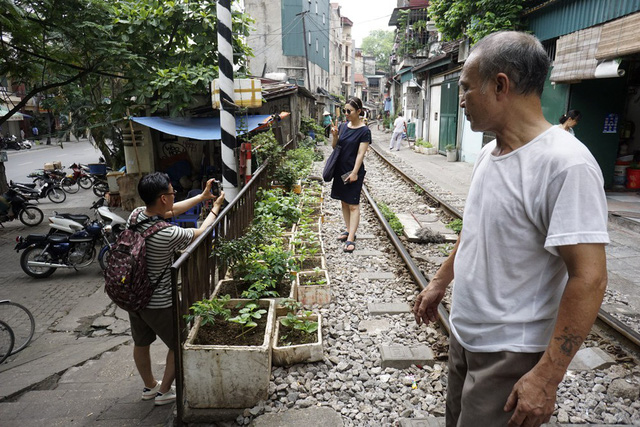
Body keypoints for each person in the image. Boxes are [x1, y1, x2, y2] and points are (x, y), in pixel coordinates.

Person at [413, 31, 609, 427]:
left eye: (467, 88)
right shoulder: (490, 152)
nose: (462, 99)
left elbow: (590, 278)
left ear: (500, 85)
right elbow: (476, 230)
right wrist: (439, 282)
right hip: (465, 335)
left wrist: (547, 376)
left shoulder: (567, 165)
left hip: (509, 352)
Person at [128, 173, 225, 406]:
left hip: (134, 295)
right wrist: (215, 208)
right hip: (158, 302)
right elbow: (200, 233)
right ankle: (164, 392)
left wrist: (202, 197)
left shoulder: (136, 215)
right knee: (178, 343)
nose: (174, 197)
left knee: (141, 342)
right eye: (172, 194)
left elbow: (170, 212)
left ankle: (149, 386)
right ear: (162, 198)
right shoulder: (167, 234)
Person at [329, 97, 371, 253]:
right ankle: (348, 230)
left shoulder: (364, 131)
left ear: (359, 112)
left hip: (353, 172)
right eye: (345, 110)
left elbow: (361, 154)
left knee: (353, 205)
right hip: (340, 170)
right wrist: (334, 136)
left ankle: (351, 238)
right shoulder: (343, 126)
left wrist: (354, 173)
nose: (346, 113)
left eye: (349, 111)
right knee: (344, 203)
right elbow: (336, 148)